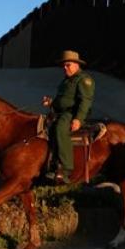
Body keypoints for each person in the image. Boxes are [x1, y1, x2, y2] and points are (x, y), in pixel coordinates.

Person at [42, 50, 95, 184]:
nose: (65, 68)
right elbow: (63, 100)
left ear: (77, 65)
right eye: (63, 66)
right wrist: (51, 103)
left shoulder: (83, 79)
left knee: (61, 128)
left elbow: (85, 101)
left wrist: (78, 119)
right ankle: (50, 162)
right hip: (62, 112)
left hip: (73, 113)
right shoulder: (66, 81)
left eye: (68, 65)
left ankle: (65, 169)